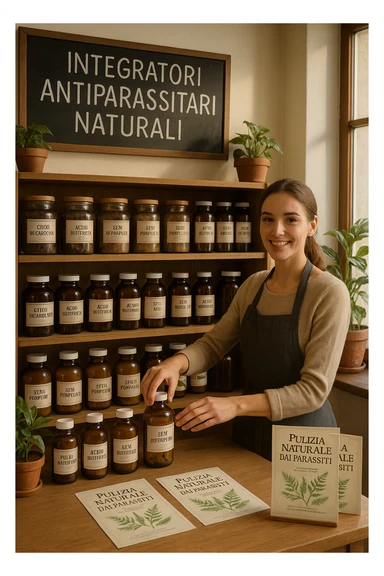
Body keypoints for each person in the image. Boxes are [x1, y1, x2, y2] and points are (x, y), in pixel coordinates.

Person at [140, 178, 350, 461]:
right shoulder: (253, 286)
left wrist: (234, 406)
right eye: (268, 219)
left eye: (290, 219)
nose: (277, 231)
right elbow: (213, 345)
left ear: (312, 225)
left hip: (306, 444)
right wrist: (175, 363)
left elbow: (313, 391)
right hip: (250, 435)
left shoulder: (329, 292)